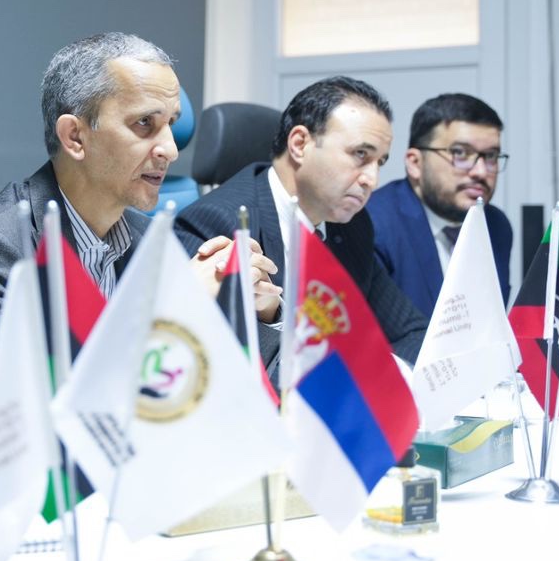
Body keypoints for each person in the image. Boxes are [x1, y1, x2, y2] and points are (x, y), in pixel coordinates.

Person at [0, 32, 279, 410]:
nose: (171, 150)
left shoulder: (149, 237)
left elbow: (251, 378)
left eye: (171, 124)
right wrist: (182, 306)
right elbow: (58, 401)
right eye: (145, 123)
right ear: (75, 137)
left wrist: (255, 310)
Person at [175, 76, 426, 373]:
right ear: (299, 144)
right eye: (360, 154)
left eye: (379, 162)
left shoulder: (351, 225)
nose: (372, 179)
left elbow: (411, 332)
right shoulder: (218, 224)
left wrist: (383, 375)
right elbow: (222, 366)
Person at [366, 93, 512, 317]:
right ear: (415, 163)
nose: (481, 172)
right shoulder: (373, 225)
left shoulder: (496, 224)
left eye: (491, 156)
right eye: (460, 153)